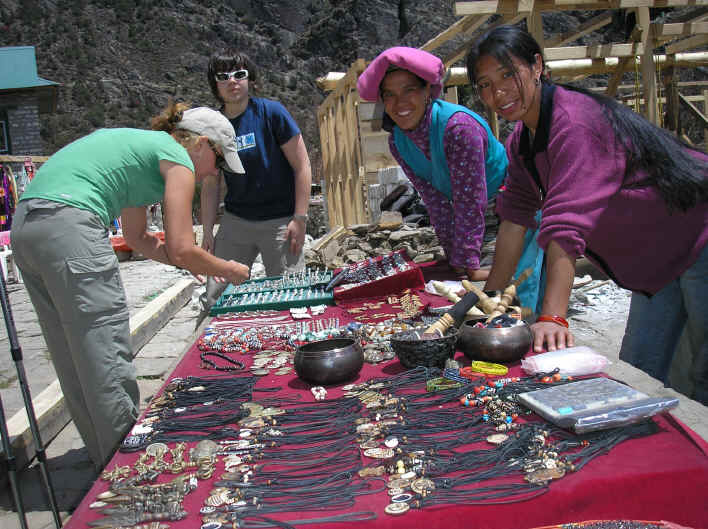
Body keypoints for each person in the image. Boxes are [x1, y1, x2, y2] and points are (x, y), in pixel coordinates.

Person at [466, 25, 708, 403]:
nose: (498, 93)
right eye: (484, 84)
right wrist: (492, 300)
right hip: (658, 260)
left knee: (702, 373)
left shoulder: (575, 123)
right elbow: (515, 215)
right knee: (641, 370)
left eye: (508, 75)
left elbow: (565, 226)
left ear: (537, 66)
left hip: (700, 230)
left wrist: (553, 318)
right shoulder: (522, 142)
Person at [10, 102, 250, 467]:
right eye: (217, 162)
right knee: (104, 351)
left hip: (28, 227)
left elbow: (138, 238)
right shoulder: (179, 159)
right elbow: (183, 246)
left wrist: (194, 264)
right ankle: (129, 468)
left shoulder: (144, 150)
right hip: (71, 223)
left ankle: (102, 459)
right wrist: (227, 269)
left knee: (73, 354)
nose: (210, 175)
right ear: (200, 143)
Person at [356, 46, 544, 309]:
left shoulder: (457, 128)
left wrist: (467, 258)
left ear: (427, 92)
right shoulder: (398, 141)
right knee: (464, 274)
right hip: (472, 214)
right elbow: (435, 201)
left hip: (510, 206)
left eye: (409, 90)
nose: (400, 103)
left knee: (506, 291)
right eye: (390, 95)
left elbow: (471, 199)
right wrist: (455, 257)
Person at [200, 49, 312, 313]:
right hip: (236, 221)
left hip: (280, 222)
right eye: (223, 76)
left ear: (250, 79)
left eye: (239, 74)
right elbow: (210, 182)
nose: (232, 81)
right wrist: (207, 230)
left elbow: (302, 165)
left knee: (294, 298)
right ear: (215, 84)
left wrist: (300, 218)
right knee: (218, 296)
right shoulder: (212, 126)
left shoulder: (271, 113)